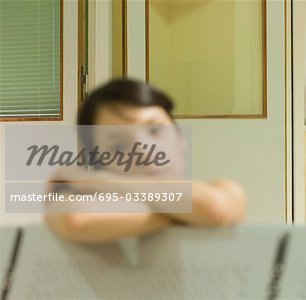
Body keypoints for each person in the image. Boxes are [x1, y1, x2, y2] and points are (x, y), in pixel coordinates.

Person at [45, 79, 246, 243]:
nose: (145, 152)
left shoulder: (224, 187)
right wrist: (185, 211)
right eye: (119, 146)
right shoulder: (76, 202)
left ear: (180, 138)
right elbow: (77, 219)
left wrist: (95, 181)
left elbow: (215, 208)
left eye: (155, 130)